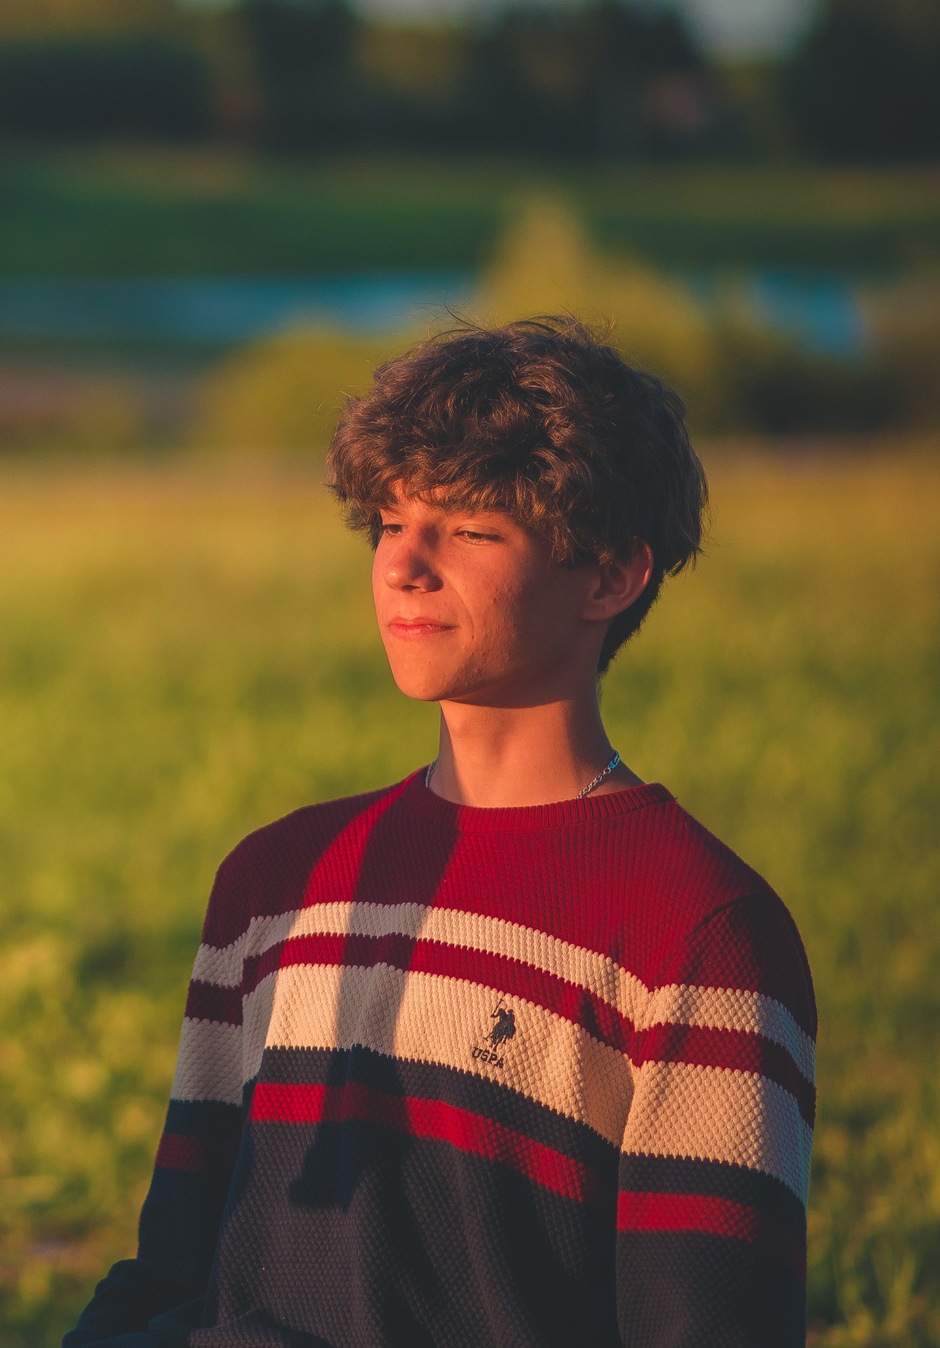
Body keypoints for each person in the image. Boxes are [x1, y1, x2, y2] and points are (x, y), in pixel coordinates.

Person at [62, 318, 814, 1348]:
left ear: (608, 575)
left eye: (466, 528)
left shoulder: (699, 927)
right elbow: (173, 1264)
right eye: (387, 521)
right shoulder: (276, 880)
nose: (403, 565)